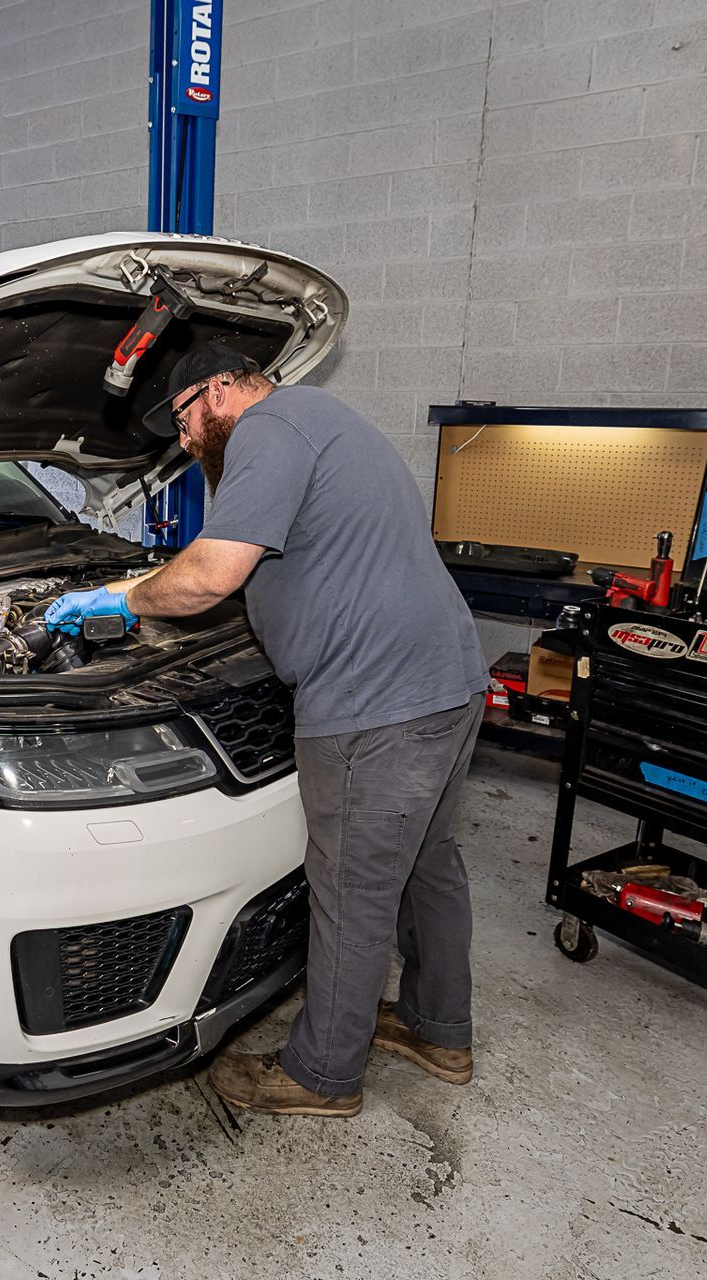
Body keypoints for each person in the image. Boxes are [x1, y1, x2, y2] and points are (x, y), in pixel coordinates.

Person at [45, 343, 490, 1117]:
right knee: (428, 866)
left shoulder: (267, 429)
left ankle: (321, 1075)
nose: (184, 442)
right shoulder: (323, 417)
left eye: (183, 419)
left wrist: (124, 601)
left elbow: (214, 574)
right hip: (445, 681)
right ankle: (437, 1028)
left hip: (373, 701)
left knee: (350, 892)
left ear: (219, 389)